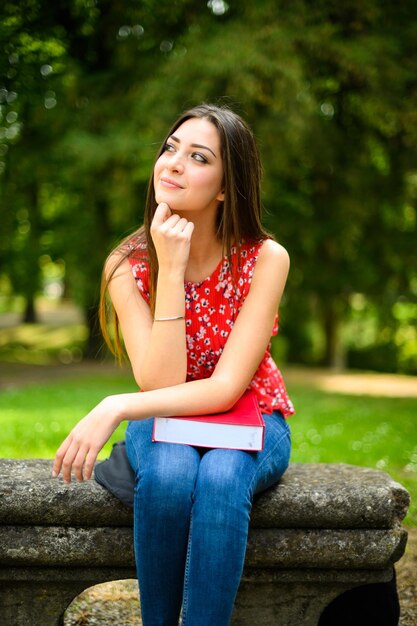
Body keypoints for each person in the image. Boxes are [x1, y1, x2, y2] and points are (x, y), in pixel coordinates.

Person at [52, 103, 294, 625]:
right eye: (170, 148)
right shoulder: (127, 264)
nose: (174, 163)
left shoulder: (264, 258)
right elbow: (161, 380)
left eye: (199, 157)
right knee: (168, 473)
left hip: (252, 416)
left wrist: (117, 405)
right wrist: (171, 269)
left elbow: (227, 387)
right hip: (165, 417)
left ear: (227, 187)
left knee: (224, 477)